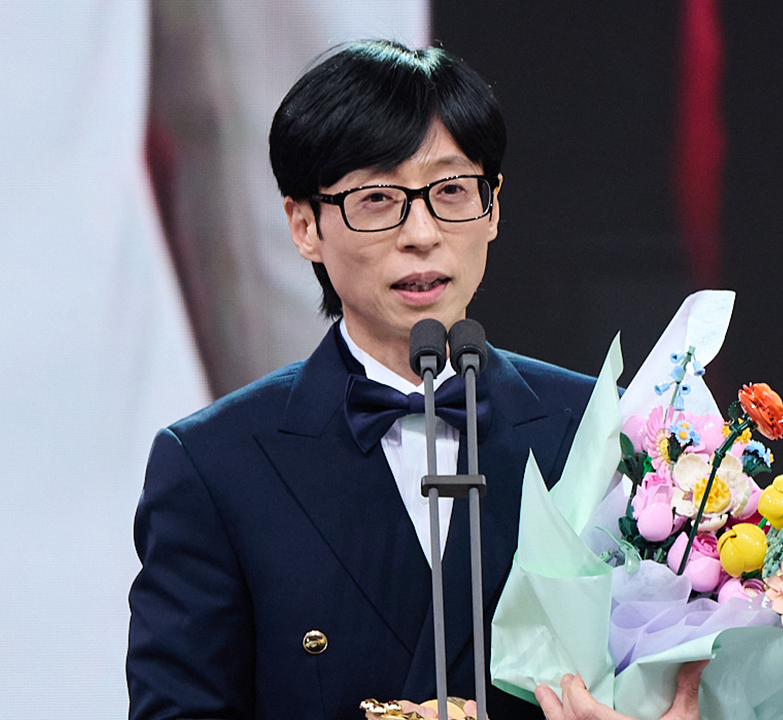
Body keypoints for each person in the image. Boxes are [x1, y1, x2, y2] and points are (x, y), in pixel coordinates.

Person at [127, 40, 701, 720]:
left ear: (492, 207)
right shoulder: (214, 465)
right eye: (377, 199)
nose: (422, 233)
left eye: (451, 191)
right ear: (304, 225)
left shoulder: (602, 431)